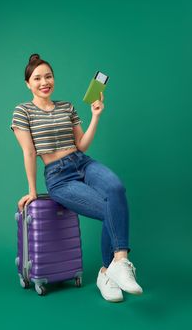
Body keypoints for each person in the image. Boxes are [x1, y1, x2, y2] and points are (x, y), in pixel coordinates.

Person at [10, 53, 143, 302]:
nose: (44, 82)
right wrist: (31, 189)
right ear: (28, 83)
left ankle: (115, 266)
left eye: (48, 76)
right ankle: (111, 270)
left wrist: (95, 116)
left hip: (82, 162)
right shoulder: (22, 111)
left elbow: (81, 145)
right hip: (59, 177)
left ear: (54, 79)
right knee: (108, 208)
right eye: (37, 78)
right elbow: (29, 151)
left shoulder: (66, 106)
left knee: (116, 188)